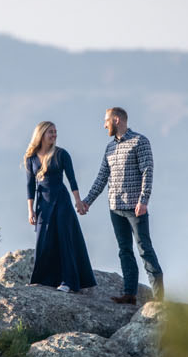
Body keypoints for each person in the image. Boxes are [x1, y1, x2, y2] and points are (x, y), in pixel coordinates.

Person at [78, 107, 164, 304]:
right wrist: (87, 202)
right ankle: (129, 294)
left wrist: (144, 200)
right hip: (115, 207)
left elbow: (147, 172)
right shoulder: (109, 148)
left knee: (145, 249)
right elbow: (102, 177)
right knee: (124, 249)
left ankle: (159, 299)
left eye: (106, 121)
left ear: (116, 120)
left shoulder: (140, 141)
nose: (104, 125)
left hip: (135, 207)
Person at [23, 121, 97, 293]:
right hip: (43, 204)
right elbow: (29, 186)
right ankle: (42, 280)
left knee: (64, 239)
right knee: (43, 240)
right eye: (51, 132)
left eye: (55, 132)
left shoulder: (61, 154)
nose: (54, 135)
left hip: (61, 201)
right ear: (41, 134)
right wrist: (30, 210)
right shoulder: (31, 158)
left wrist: (78, 201)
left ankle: (69, 281)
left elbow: (72, 179)